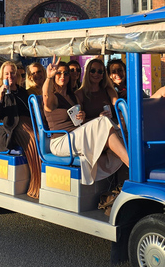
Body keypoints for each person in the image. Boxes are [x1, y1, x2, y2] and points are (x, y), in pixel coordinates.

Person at [43, 56, 128, 185]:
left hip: (75, 137)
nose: (62, 76)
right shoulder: (54, 98)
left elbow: (81, 123)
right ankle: (133, 167)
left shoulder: (72, 96)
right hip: (61, 141)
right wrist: (49, 77)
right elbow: (46, 98)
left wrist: (82, 117)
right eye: (59, 73)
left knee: (119, 132)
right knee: (104, 123)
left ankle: (123, 178)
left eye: (66, 73)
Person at [0, 61, 41, 198]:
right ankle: (36, 185)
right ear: (2, 75)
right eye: (7, 73)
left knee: (42, 137)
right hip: (8, 129)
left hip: (26, 124)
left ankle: (41, 180)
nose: (10, 76)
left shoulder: (22, 92)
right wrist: (1, 96)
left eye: (13, 73)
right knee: (34, 139)